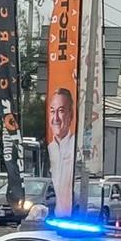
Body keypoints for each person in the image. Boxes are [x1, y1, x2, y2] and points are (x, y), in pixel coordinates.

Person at [47, 87, 77, 215]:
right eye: (53, 111)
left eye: (61, 111)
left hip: (75, 215)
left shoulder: (78, 148)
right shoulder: (49, 149)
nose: (56, 118)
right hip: (54, 218)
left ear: (71, 114)